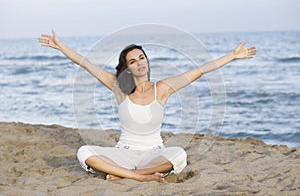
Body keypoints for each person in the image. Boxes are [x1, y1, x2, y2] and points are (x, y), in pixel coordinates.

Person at [38, 29, 256, 182]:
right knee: (83, 152)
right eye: (133, 61)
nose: (140, 62)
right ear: (127, 68)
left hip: (153, 154)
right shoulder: (118, 87)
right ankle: (139, 176)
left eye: (142, 57)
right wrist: (60, 46)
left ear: (147, 61)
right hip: (123, 152)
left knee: (179, 154)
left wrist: (233, 56)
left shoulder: (162, 88)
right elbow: (85, 63)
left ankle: (122, 174)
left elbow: (199, 71)